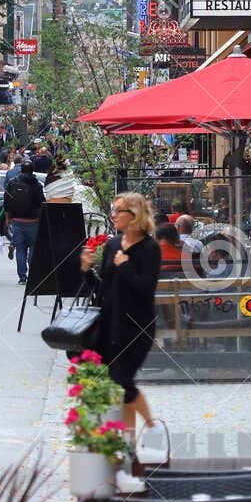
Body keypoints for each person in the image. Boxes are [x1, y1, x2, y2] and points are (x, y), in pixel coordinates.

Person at [80, 192, 166, 479]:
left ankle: (153, 427)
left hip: (137, 325)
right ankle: (129, 450)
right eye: (114, 210)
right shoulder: (114, 244)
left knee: (122, 381)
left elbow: (146, 288)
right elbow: (103, 289)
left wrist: (125, 266)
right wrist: (86, 272)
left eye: (119, 211)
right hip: (109, 325)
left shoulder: (149, 248)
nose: (114, 215)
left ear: (135, 214)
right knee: (120, 391)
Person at [2, 161, 45, 283]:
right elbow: (41, 203)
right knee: (33, 248)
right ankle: (32, 274)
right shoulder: (37, 185)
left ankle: (22, 277)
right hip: (33, 221)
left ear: (21, 169)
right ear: (33, 170)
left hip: (17, 221)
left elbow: (6, 202)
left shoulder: (13, 182)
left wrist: (8, 219)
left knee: (20, 249)